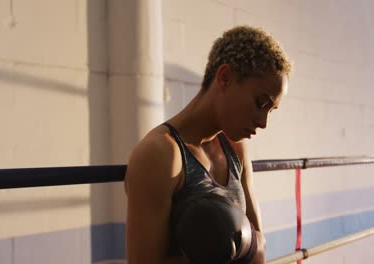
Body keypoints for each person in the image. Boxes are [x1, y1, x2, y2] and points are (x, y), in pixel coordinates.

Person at [124, 25, 292, 264]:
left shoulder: (236, 149)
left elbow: (259, 243)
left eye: (271, 111)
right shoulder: (161, 153)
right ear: (225, 78)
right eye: (260, 103)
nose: (263, 123)